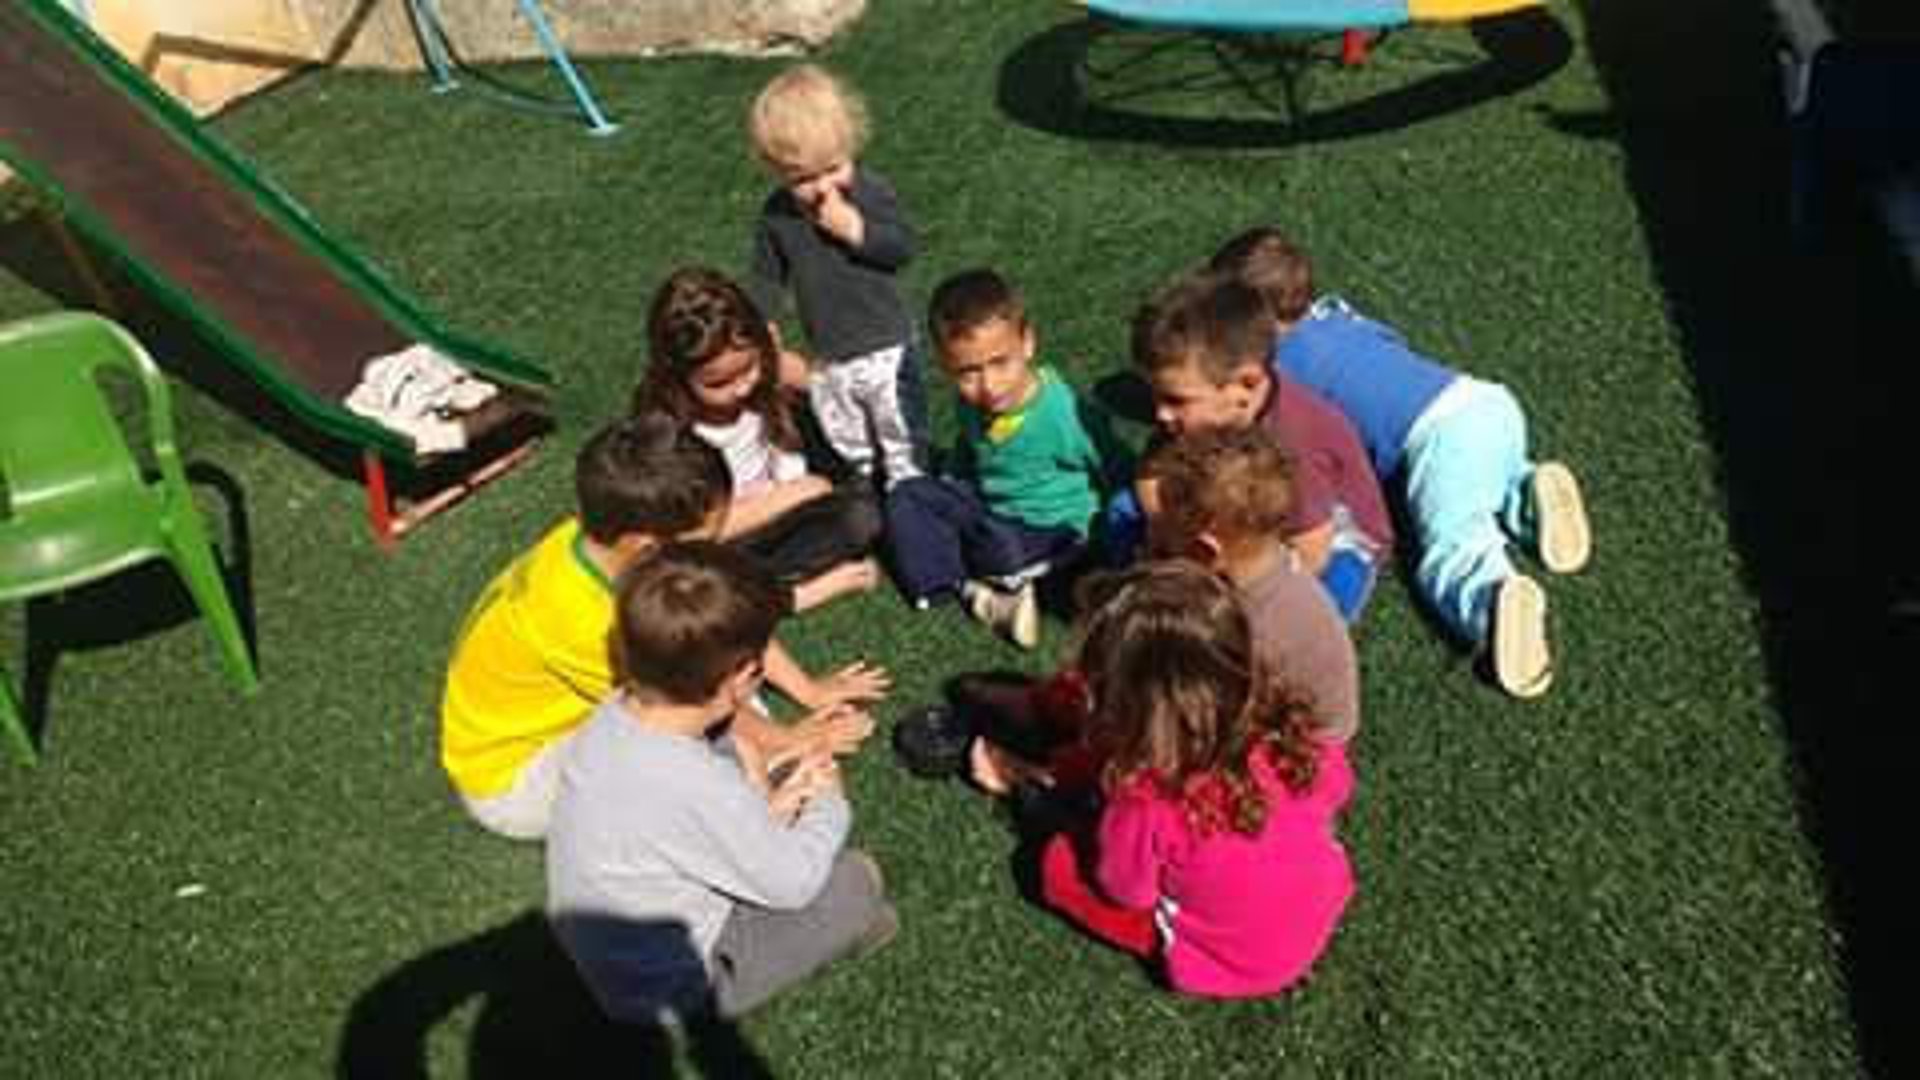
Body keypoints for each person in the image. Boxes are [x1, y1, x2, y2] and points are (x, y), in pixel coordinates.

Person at [439, 415, 879, 841]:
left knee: (724, 694)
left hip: (529, 725)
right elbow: (687, 701)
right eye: (708, 537)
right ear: (647, 547)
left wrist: (809, 691)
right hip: (516, 781)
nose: (719, 543)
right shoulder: (588, 622)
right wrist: (788, 740)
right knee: (702, 751)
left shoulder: (605, 538)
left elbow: (724, 614)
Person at [1211, 228, 1592, 698]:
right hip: (1482, 400)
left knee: (1453, 542)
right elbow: (1394, 346)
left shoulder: (1277, 372)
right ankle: (1526, 494)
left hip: (1439, 439)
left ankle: (1492, 598)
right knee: (1483, 475)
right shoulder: (1340, 314)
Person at [547, 542, 897, 1022]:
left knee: (745, 762)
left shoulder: (609, 720)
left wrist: (770, 806)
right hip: (680, 983)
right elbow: (791, 884)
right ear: (742, 679)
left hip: (615, 952)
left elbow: (671, 823)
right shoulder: (697, 782)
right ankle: (841, 930)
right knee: (860, 878)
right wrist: (826, 796)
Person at [973, 562, 1355, 999]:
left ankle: (1019, 777)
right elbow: (1336, 787)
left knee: (1056, 866)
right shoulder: (1288, 729)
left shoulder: (1145, 799)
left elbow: (1126, 890)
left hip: (1230, 956)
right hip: (1317, 908)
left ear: (1132, 710)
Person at [1131, 269, 1393, 624]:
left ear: (1246, 384)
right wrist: (1167, 534)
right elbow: (1150, 475)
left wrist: (1239, 587)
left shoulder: (1295, 441)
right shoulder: (1194, 417)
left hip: (1329, 538)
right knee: (1122, 512)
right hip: (1238, 507)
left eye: (1176, 399)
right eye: (1155, 396)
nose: (1160, 413)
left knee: (1319, 602)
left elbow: (1313, 549)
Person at [886, 268, 1122, 648]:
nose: (988, 385)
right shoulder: (969, 404)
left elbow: (1114, 464)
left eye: (1000, 363)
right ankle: (960, 588)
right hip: (992, 510)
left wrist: (1120, 537)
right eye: (967, 373)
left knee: (1000, 545)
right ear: (946, 366)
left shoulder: (1062, 413)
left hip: (1054, 531)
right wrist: (950, 482)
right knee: (907, 495)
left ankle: (992, 578)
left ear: (1027, 342)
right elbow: (967, 447)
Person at [634, 266, 884, 613]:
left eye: (749, 366)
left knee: (864, 511)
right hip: (731, 537)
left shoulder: (766, 376)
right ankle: (788, 595)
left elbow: (834, 400)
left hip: (791, 498)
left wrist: (800, 376)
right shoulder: (672, 434)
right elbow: (695, 535)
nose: (743, 386)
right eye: (719, 384)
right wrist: (794, 494)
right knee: (699, 579)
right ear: (676, 377)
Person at [745, 63, 927, 492]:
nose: (822, 187)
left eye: (833, 168)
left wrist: (854, 230)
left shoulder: (869, 191)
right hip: (831, 353)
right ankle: (867, 483)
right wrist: (764, 324)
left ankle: (913, 492)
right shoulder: (778, 216)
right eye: (803, 178)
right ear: (777, 170)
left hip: (886, 344)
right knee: (852, 439)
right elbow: (767, 276)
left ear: (850, 148)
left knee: (900, 435)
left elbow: (900, 249)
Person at [1135, 426, 1360, 743]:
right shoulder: (1269, 563)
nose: (1151, 536)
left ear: (1204, 551)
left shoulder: (1244, 630)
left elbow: (1210, 717)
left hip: (1296, 747)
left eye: (1162, 527)